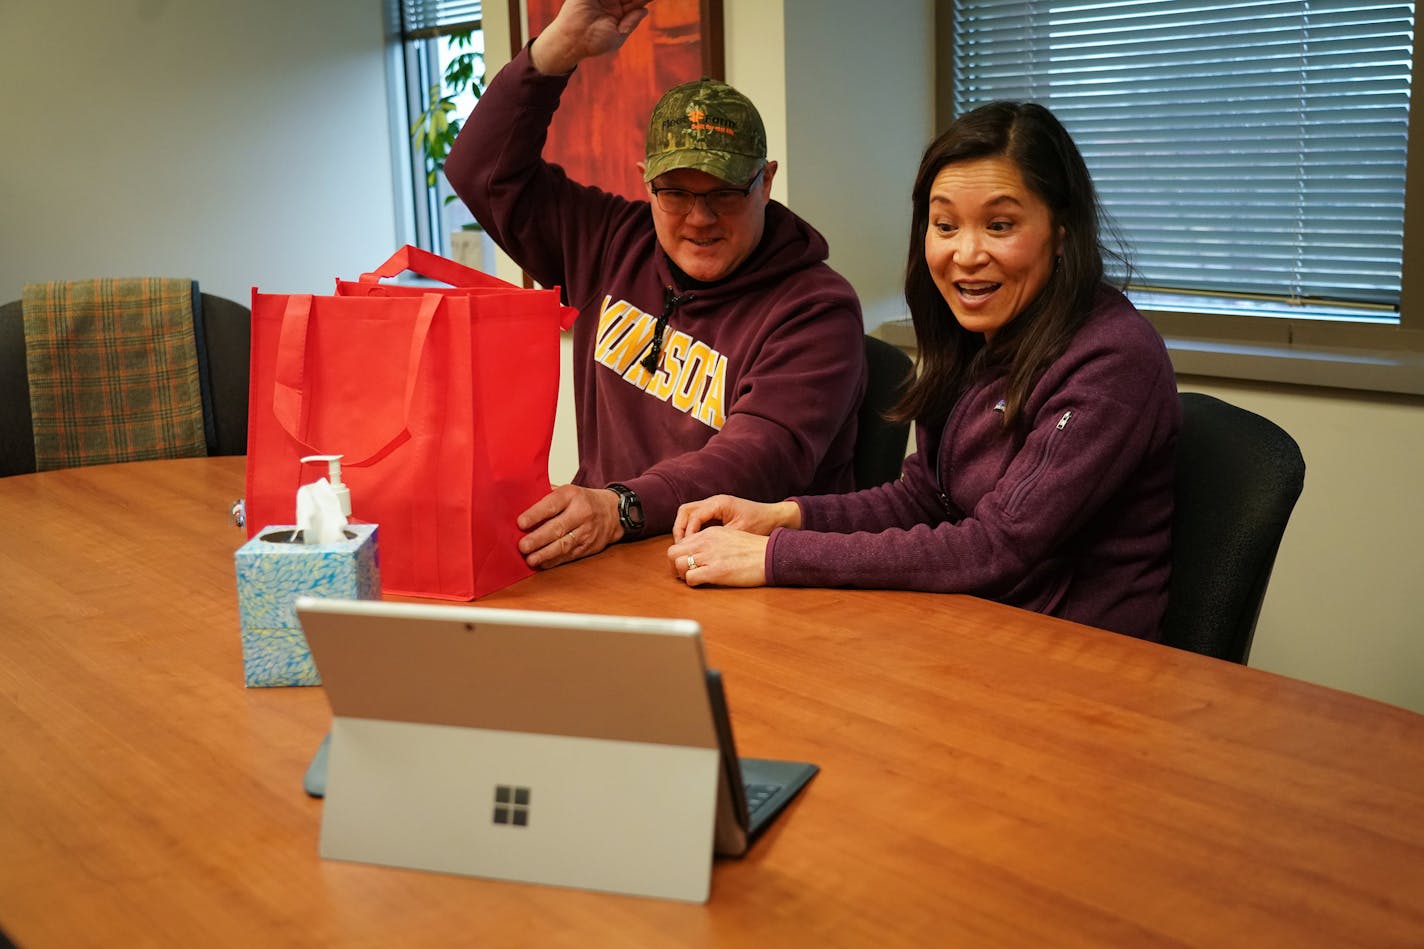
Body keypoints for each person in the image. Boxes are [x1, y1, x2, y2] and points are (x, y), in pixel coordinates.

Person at [667, 101, 1181, 640]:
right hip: (973, 630)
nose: (967, 253)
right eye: (945, 225)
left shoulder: (1113, 359)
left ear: (1062, 230)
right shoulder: (976, 335)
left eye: (999, 225)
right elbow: (923, 499)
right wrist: (780, 516)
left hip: (1078, 664)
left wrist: (776, 556)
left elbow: (997, 546)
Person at [444, 0, 866, 571]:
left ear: (765, 181)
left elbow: (759, 454)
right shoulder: (611, 240)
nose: (699, 218)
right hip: (602, 560)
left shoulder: (817, 308)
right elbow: (481, 172)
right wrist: (558, 48)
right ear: (646, 184)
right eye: (675, 193)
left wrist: (621, 507)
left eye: (723, 193)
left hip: (738, 572)